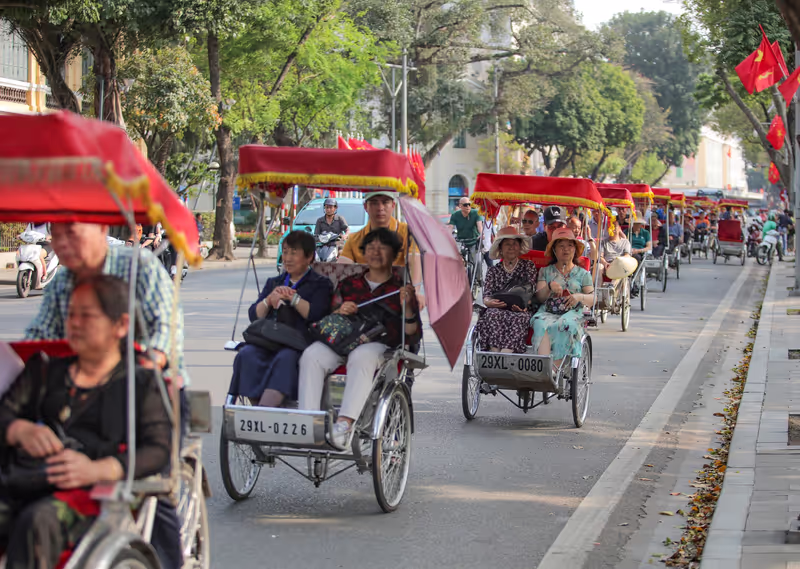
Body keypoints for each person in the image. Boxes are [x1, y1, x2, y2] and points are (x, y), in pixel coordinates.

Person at [23, 222, 185, 569]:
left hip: (150, 392)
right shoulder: (62, 283)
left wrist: (140, 367)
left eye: (71, 231)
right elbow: (39, 337)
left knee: (150, 483)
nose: (61, 242)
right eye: (56, 233)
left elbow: (165, 333)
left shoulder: (139, 266)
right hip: (80, 394)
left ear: (98, 228)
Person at [0, 275, 171, 569]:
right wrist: (19, 429)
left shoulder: (140, 384)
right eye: (71, 315)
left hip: (91, 494)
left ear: (121, 325)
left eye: (87, 316)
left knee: (38, 520)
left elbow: (157, 448)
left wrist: (98, 469)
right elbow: (5, 415)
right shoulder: (43, 371)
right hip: (24, 478)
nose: (75, 323)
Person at [298, 228, 421, 450]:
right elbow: (329, 317)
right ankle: (310, 423)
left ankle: (344, 424)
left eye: (382, 248)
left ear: (393, 254)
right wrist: (340, 310)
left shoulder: (399, 287)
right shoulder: (350, 284)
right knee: (312, 354)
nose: (376, 252)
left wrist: (408, 307)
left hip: (380, 346)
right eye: (371, 248)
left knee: (361, 356)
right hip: (344, 340)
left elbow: (412, 333)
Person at [229, 231, 332, 408]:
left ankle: (264, 412)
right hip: (269, 339)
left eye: (294, 253)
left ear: (309, 257)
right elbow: (254, 315)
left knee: (286, 359)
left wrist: (294, 299)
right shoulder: (274, 282)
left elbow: (316, 314)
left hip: (298, 342)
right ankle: (256, 410)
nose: (287, 258)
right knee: (246, 355)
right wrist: (269, 299)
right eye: (285, 252)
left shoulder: (321, 284)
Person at [339, 191, 425, 307]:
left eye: (385, 202)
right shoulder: (354, 239)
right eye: (374, 203)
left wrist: (413, 293)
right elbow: (342, 270)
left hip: (397, 298)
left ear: (393, 205)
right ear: (365, 207)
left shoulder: (408, 233)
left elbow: (413, 263)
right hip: (363, 301)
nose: (380, 208)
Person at [532, 228, 594, 360]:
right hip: (548, 310)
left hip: (574, 312)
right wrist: (549, 287)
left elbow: (593, 298)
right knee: (540, 323)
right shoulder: (545, 271)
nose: (566, 249)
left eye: (570, 246)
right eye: (561, 246)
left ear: (575, 249)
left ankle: (558, 368)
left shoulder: (583, 274)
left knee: (564, 324)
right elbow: (539, 297)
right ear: (554, 250)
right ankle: (544, 368)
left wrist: (579, 297)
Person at [475, 227, 538, 353]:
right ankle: (494, 353)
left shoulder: (528, 266)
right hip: (497, 308)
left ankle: (506, 353)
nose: (511, 247)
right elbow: (487, 295)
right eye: (507, 244)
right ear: (500, 248)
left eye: (515, 244)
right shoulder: (494, 270)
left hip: (521, 309)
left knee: (520, 317)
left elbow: (530, 291)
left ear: (519, 248)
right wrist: (488, 302)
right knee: (492, 314)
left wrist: (524, 306)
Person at [449, 197, 484, 268]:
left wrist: (481, 234)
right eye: (465, 205)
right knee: (457, 261)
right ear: (460, 206)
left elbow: (479, 226)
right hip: (461, 241)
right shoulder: (455, 215)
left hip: (474, 240)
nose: (468, 206)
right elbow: (450, 227)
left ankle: (478, 278)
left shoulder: (476, 213)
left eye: (469, 204)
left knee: (478, 262)